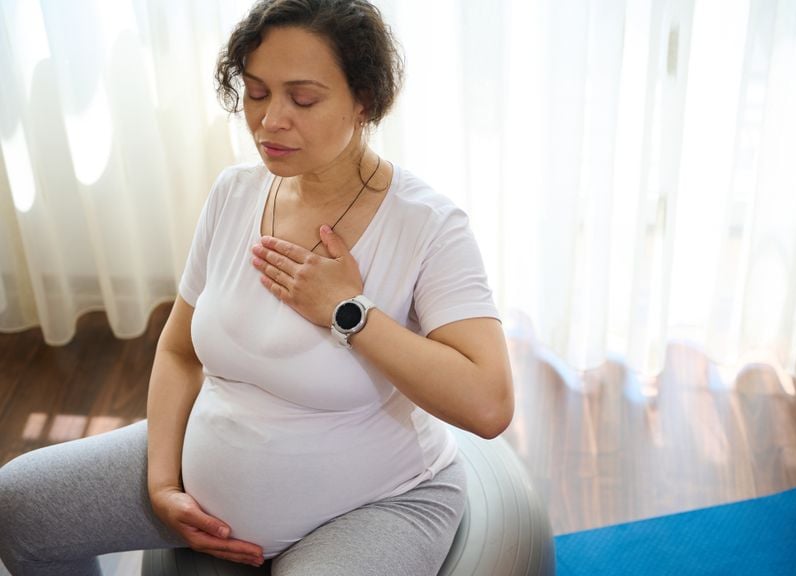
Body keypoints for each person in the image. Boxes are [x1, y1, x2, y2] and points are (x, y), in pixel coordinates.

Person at [0, 0, 513, 574]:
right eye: (257, 92)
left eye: (303, 98)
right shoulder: (234, 193)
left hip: (377, 502)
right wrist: (164, 484)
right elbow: (178, 350)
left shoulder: (427, 225)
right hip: (211, 454)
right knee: (16, 503)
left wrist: (350, 312)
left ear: (363, 99)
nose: (270, 121)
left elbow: (489, 405)